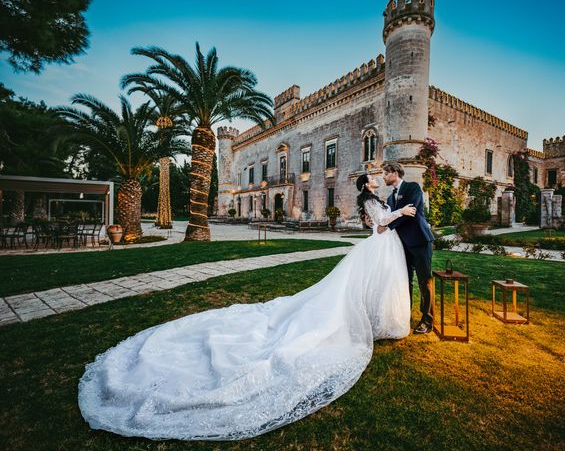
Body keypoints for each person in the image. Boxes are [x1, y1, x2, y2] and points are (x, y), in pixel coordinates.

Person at [77, 174, 416, 441]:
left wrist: (396, 209)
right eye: (371, 178)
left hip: (381, 249)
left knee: (371, 286)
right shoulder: (370, 198)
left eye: (377, 177)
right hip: (379, 243)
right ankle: (371, 320)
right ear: (365, 186)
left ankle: (378, 319)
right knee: (353, 290)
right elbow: (379, 225)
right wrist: (399, 212)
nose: (375, 178)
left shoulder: (376, 196)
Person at [379, 162, 436, 334]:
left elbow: (409, 213)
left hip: (420, 241)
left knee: (425, 282)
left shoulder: (413, 188)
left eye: (385, 173)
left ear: (395, 173)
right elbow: (395, 216)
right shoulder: (390, 198)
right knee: (406, 282)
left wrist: (388, 225)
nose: (383, 177)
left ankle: (427, 320)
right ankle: (406, 315)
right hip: (403, 245)